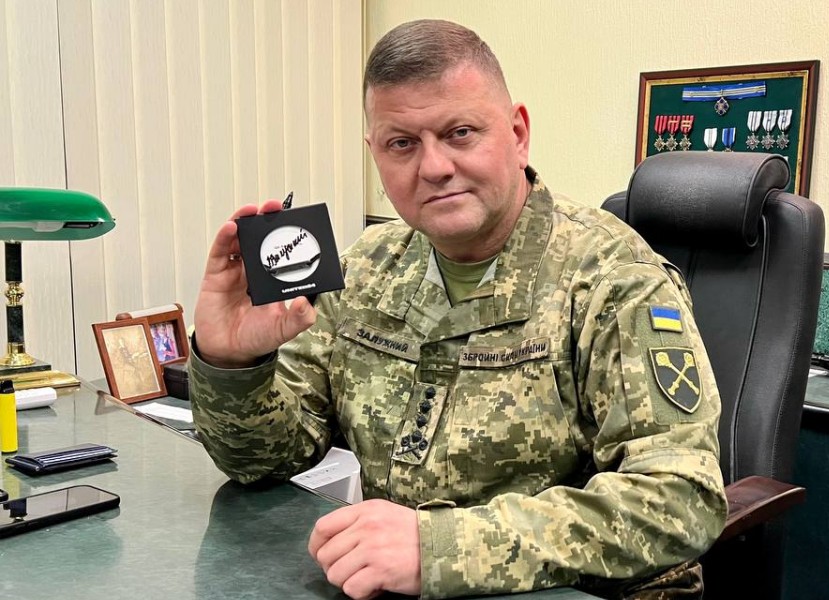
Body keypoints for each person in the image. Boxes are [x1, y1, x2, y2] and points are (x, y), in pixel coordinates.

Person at [188, 19, 726, 600]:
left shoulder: (613, 279)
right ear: (375, 155)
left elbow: (682, 500)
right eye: (402, 144)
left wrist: (443, 548)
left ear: (517, 134)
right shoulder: (367, 268)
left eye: (460, 133)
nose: (434, 167)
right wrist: (232, 363)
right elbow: (263, 461)